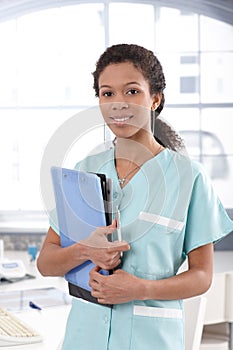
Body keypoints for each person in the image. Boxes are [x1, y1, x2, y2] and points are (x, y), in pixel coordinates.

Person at [37, 44, 233, 350]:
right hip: (84, 338)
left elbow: (202, 276)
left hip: (150, 340)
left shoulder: (188, 177)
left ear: (155, 99)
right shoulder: (83, 172)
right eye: (107, 93)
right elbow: (46, 263)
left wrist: (140, 288)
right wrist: (85, 251)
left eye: (131, 92)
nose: (118, 104)